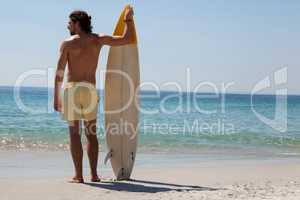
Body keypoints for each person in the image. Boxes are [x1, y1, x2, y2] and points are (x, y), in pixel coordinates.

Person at [53, 7, 135, 183]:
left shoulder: (67, 43)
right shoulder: (98, 40)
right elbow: (127, 39)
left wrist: (56, 97)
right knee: (91, 134)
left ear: (76, 24)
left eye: (70, 23)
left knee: (75, 134)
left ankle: (78, 176)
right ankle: (94, 175)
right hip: (90, 90)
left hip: (72, 90)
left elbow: (59, 73)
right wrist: (128, 19)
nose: (68, 26)